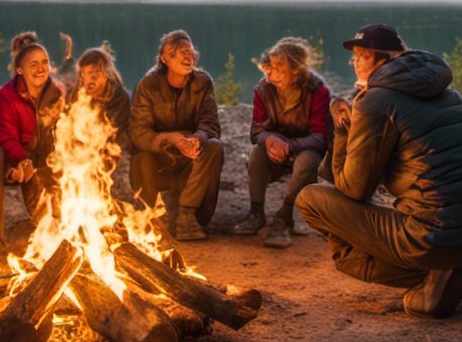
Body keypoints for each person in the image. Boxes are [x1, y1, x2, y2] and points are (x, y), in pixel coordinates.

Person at [295, 23, 462, 319]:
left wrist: (342, 130)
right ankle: (445, 272)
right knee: (392, 207)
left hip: (434, 236)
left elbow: (354, 190)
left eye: (361, 56)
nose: (354, 64)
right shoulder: (449, 94)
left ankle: (427, 278)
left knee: (311, 200)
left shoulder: (376, 100)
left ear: (385, 59)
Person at [0, 32, 65, 245]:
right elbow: (6, 138)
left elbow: (63, 134)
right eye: (33, 64)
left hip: (41, 160)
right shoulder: (5, 96)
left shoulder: (56, 94)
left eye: (45, 63)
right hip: (10, 157)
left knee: (62, 173)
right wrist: (21, 162)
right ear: (19, 69)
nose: (41, 69)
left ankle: (59, 235)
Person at [234, 37, 333, 248]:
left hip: (305, 148)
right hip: (274, 149)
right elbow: (256, 131)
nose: (270, 72)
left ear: (296, 70)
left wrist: (290, 146)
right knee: (256, 155)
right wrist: (270, 139)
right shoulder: (263, 89)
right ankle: (256, 213)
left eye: (279, 67)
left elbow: (321, 137)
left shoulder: (318, 91)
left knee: (307, 161)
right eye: (270, 66)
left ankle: (284, 216)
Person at [128, 30, 224, 241]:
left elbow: (210, 123)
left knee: (214, 146)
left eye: (189, 52)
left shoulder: (202, 82)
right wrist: (170, 139)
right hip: (161, 160)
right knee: (141, 158)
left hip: (191, 161)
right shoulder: (148, 85)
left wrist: (196, 140)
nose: (186, 57)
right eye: (178, 53)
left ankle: (187, 215)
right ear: (164, 59)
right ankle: (150, 217)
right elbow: (138, 132)